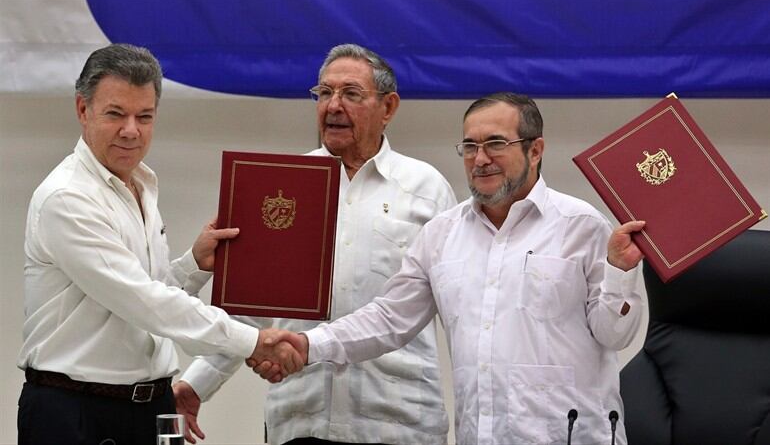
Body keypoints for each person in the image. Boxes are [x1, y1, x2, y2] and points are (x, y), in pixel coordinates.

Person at [258, 93, 647, 445]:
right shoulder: (442, 234)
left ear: (535, 150)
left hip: (571, 437)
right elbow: (389, 318)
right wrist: (310, 345)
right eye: (470, 147)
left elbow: (616, 334)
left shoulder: (582, 225)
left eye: (496, 143)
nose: (480, 159)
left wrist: (620, 272)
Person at [17, 43, 300, 445]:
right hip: (77, 412)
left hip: (154, 408)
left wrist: (195, 265)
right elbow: (144, 302)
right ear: (83, 110)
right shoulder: (68, 197)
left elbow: (147, 296)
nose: (131, 130)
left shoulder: (141, 183)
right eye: (116, 113)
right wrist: (253, 341)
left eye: (144, 116)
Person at [175, 44, 455, 445]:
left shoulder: (427, 190)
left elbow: (457, 306)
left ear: (388, 108)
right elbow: (253, 310)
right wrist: (195, 384)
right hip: (302, 419)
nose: (333, 106)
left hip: (399, 422)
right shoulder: (284, 187)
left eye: (351, 94)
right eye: (324, 93)